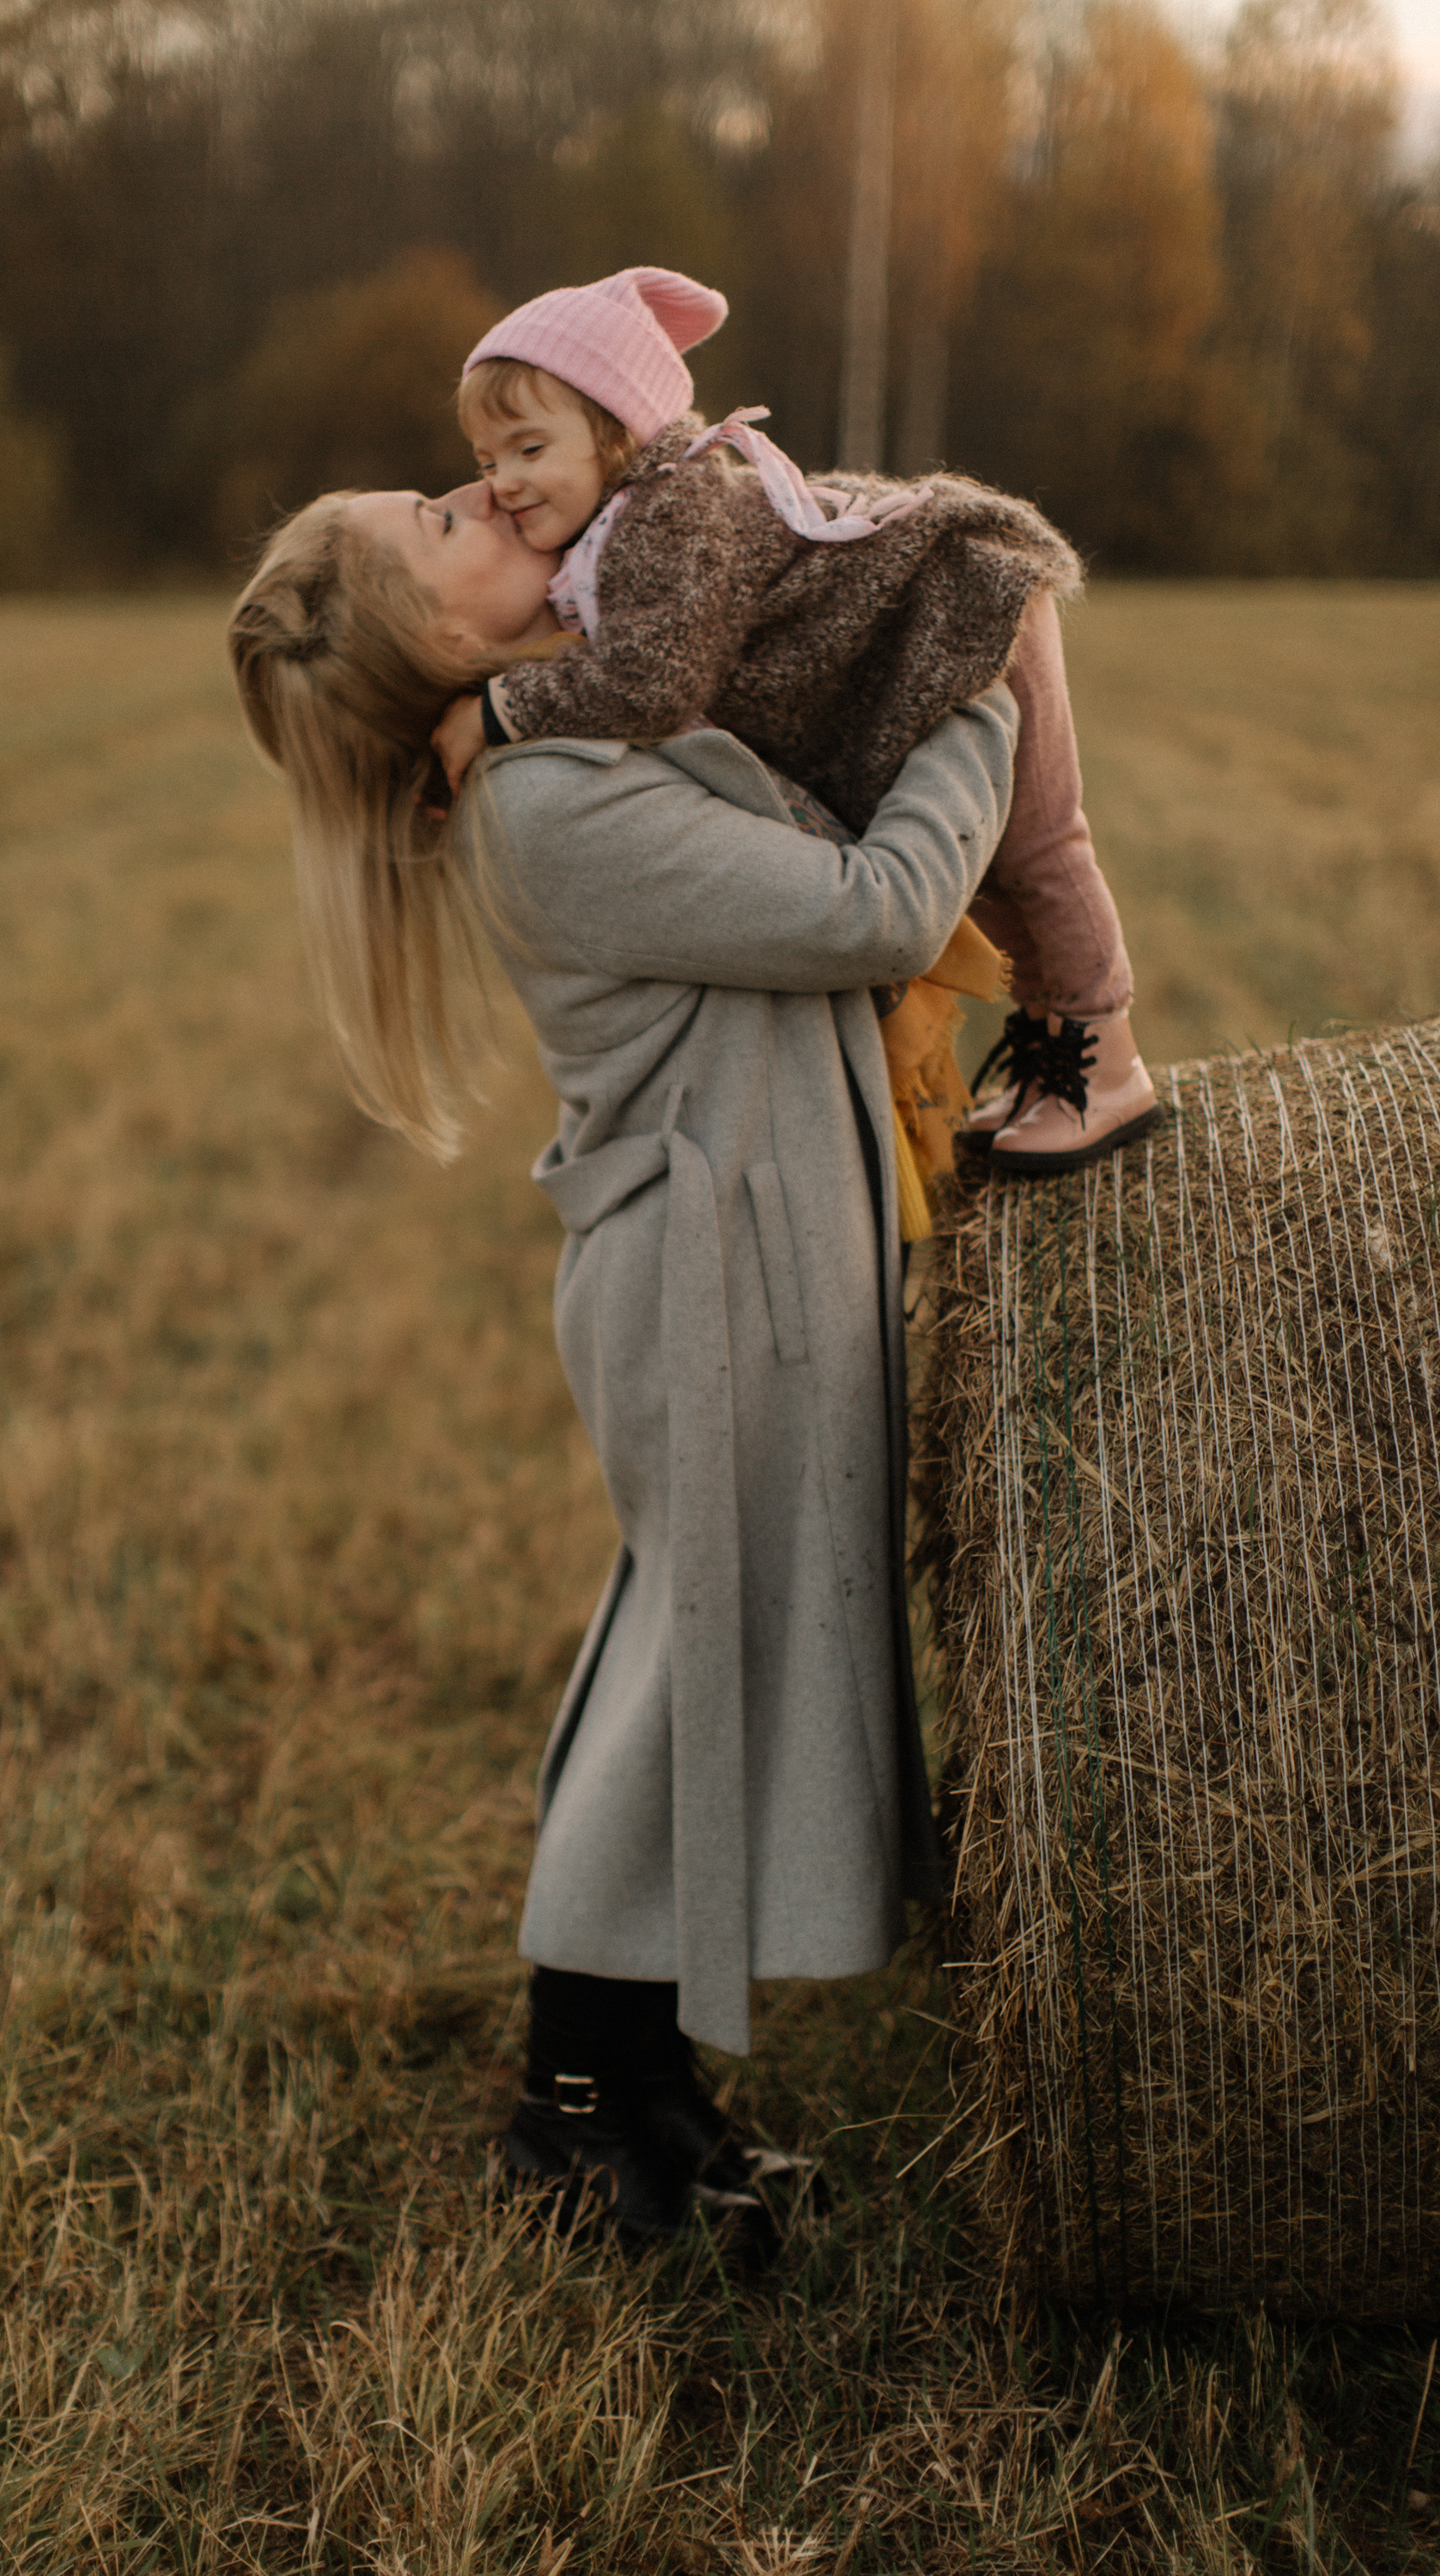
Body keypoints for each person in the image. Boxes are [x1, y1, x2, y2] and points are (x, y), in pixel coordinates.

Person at [228, 476, 1020, 2245]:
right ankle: (569, 2119)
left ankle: (648, 2102)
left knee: (703, 1656)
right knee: (682, 1673)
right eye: (443, 520)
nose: (494, 497)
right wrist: (987, 700)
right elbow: (879, 906)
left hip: (739, 1255)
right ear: (433, 638)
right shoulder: (543, 805)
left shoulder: (576, 738)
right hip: (712, 1280)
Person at [431, 265, 1162, 1178]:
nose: (500, 482)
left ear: (617, 432)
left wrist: (501, 710)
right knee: (997, 879)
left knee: (1040, 849)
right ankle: (1050, 1056)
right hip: (918, 619)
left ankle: (1107, 1060)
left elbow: (653, 680)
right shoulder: (610, 531)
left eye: (527, 449)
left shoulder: (667, 510)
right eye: (483, 459)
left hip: (966, 593)